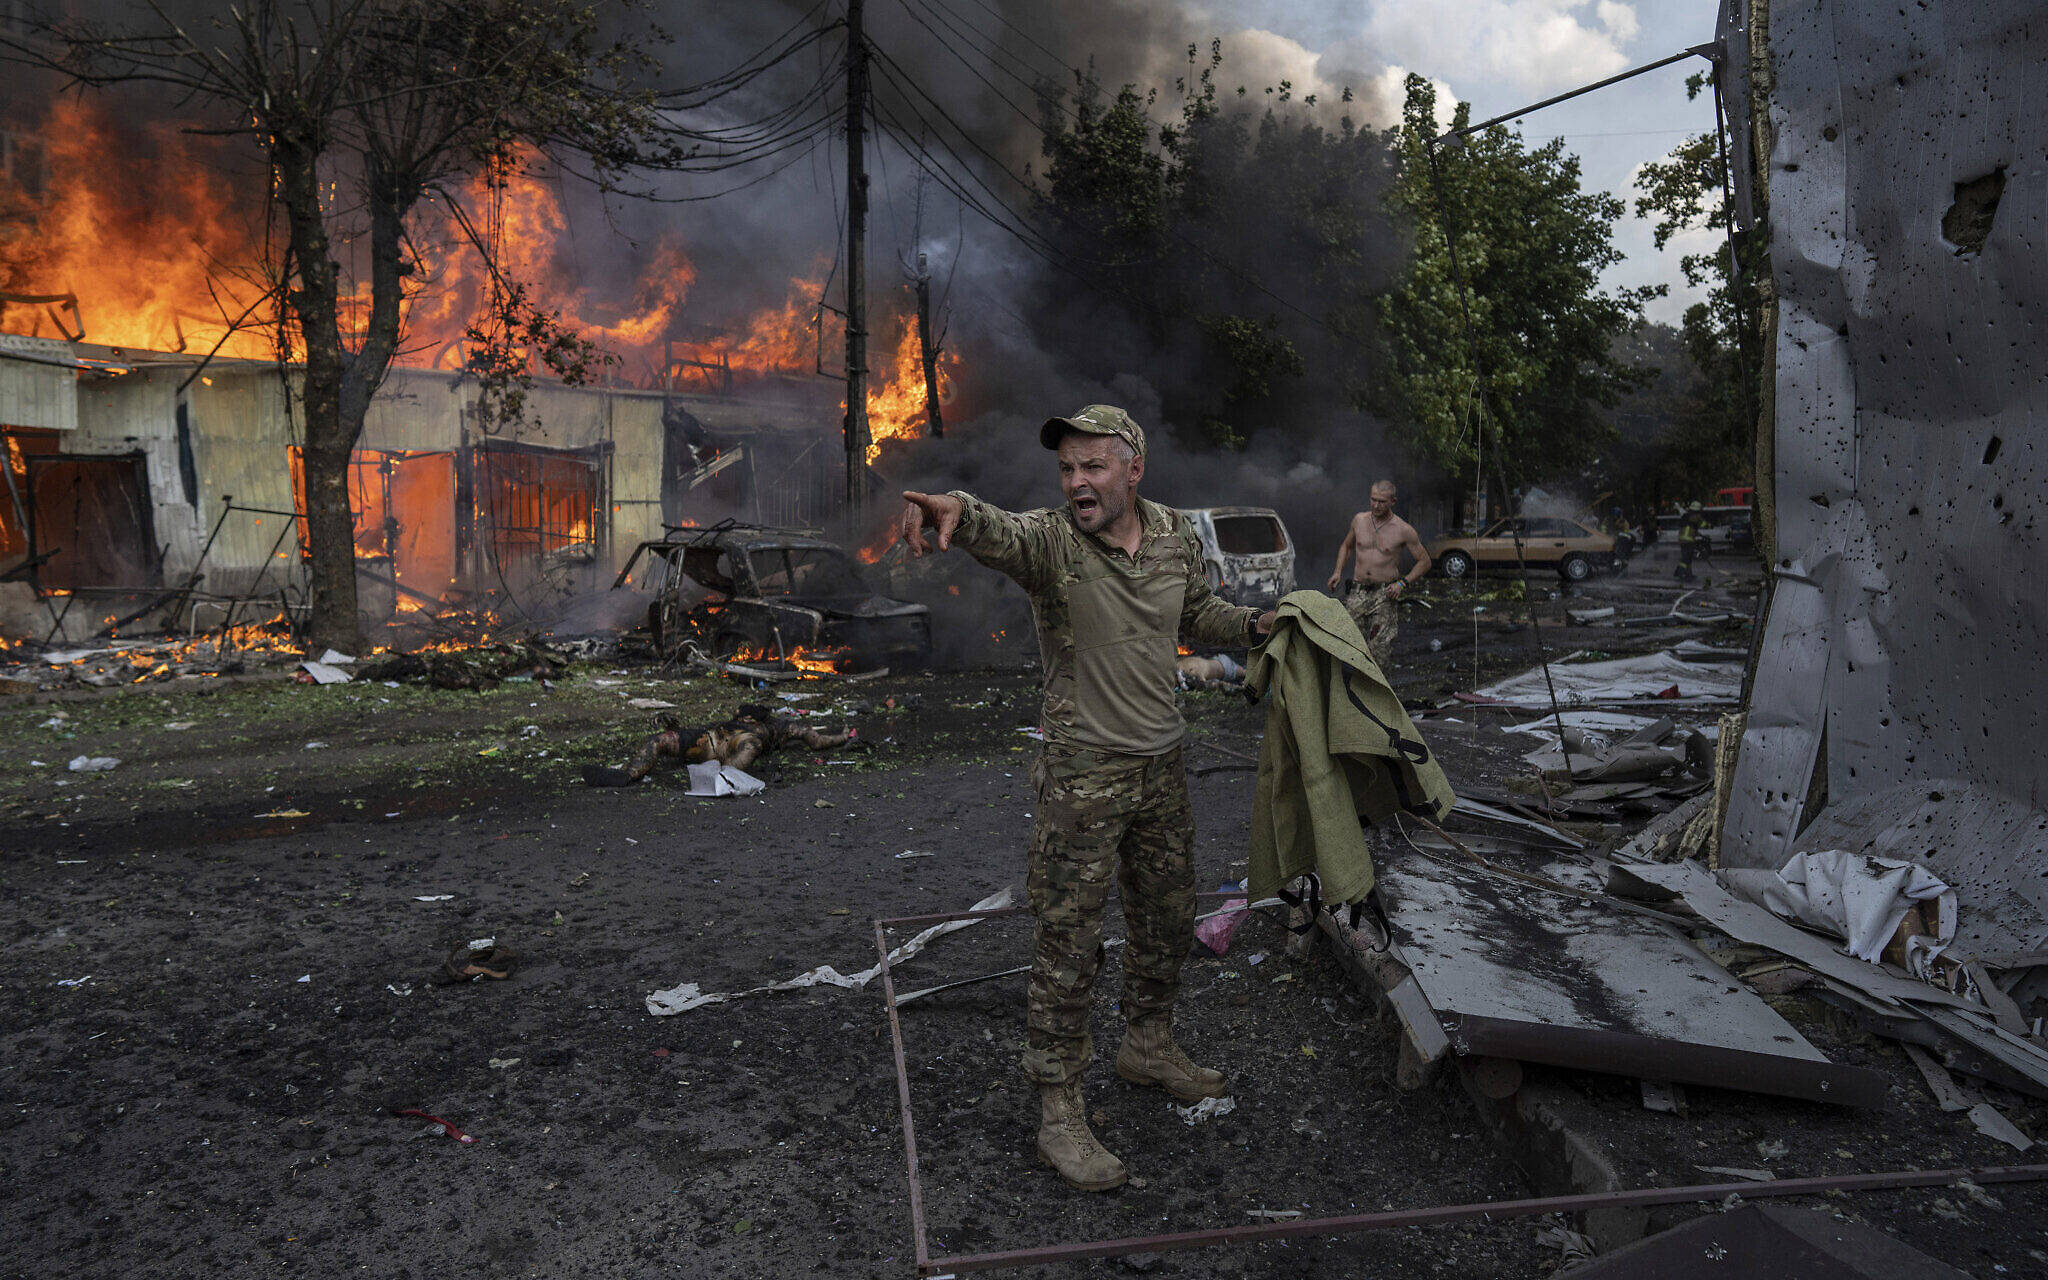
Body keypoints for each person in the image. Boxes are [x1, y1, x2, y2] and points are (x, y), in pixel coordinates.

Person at [899, 405, 1273, 1193]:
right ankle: (1059, 1111)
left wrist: (1263, 624)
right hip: (1083, 776)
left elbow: (1198, 614)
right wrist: (953, 512)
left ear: (1133, 467)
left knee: (1167, 919)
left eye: (1092, 466)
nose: (1076, 483)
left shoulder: (1174, 533)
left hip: (1161, 769)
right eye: (1067, 469)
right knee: (1069, 945)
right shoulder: (1052, 544)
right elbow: (995, 529)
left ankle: (1148, 1044)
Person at [1325, 480, 1431, 670]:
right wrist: (1338, 571)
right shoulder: (1359, 520)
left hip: (1384, 595)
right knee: (1349, 645)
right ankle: (1349, 693)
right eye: (1373, 500)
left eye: (1382, 501)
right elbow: (1347, 546)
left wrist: (1402, 584)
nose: (1376, 505)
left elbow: (1425, 561)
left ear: (1393, 501)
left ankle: (1376, 695)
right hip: (1357, 592)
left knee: (1378, 649)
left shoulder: (1403, 530)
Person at [1675, 501, 1705, 581]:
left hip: (1682, 540)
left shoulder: (1685, 516)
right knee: (1686, 558)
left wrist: (1699, 534)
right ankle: (1680, 573)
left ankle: (1688, 574)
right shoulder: (1697, 516)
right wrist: (1710, 525)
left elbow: (1690, 528)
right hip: (1689, 540)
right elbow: (1703, 524)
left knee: (1687, 557)